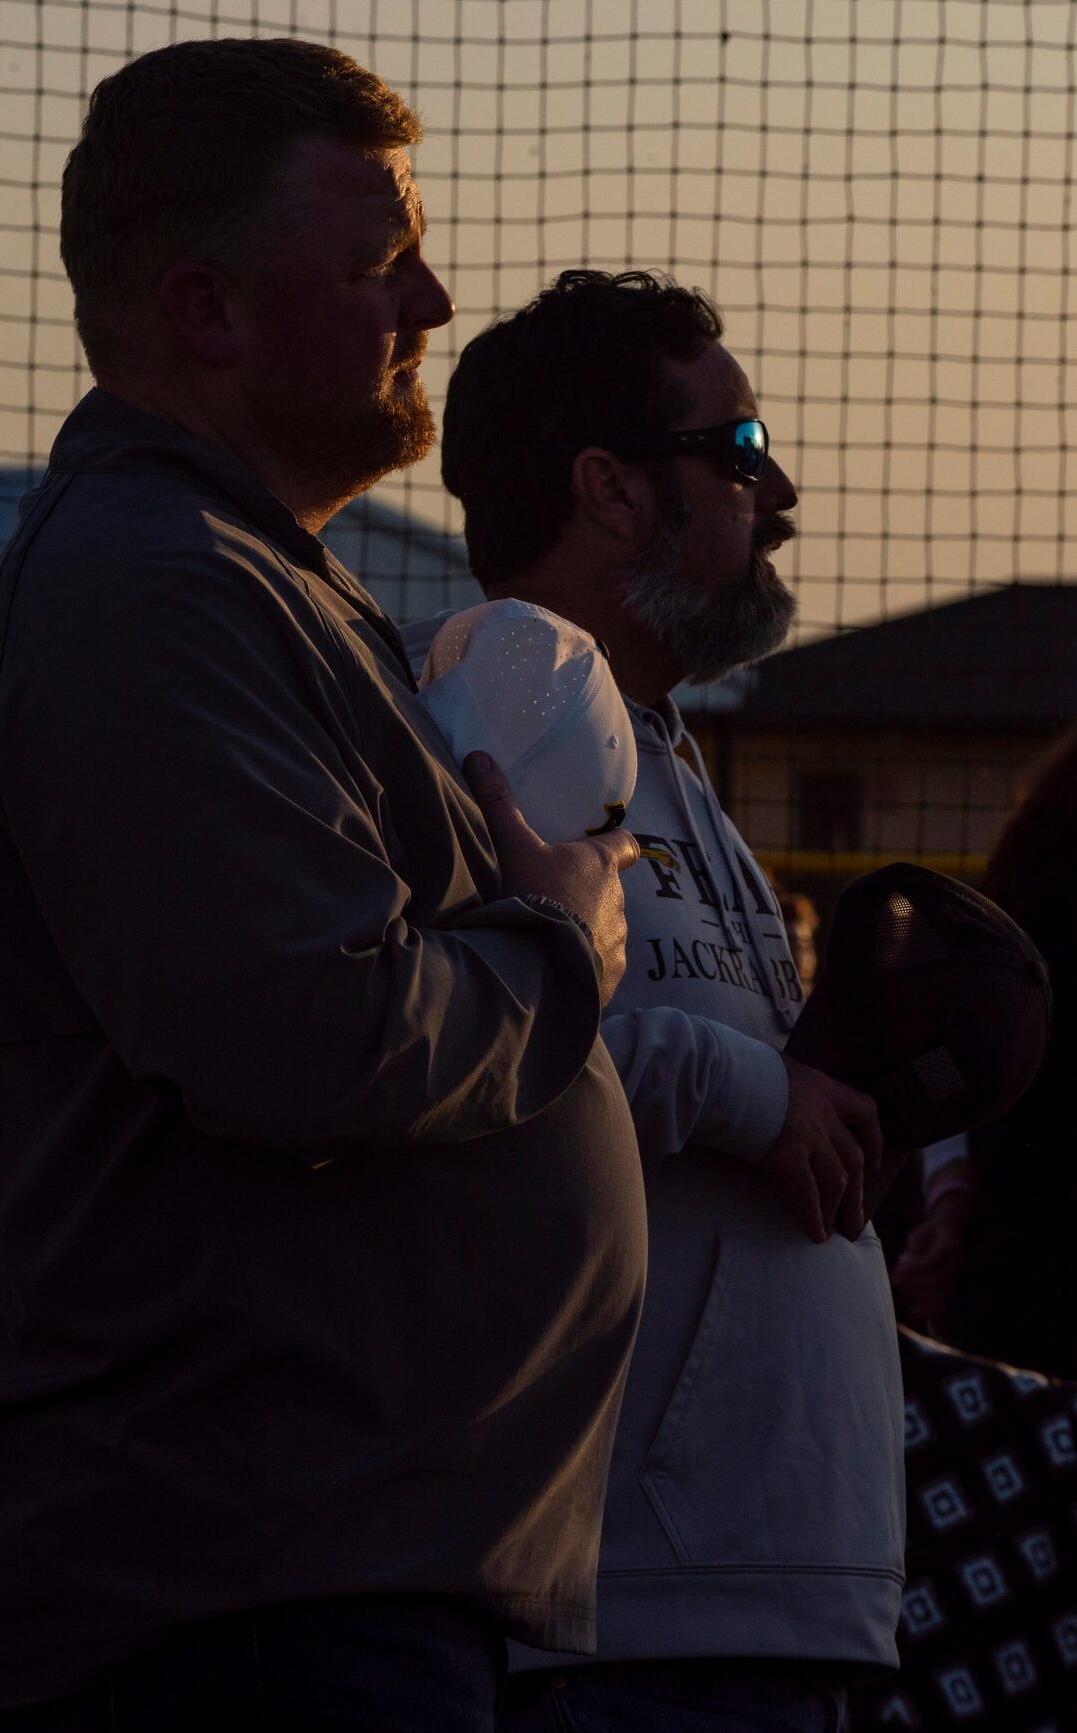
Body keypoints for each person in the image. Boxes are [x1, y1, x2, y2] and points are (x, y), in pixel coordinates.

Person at [0, 42, 648, 1731]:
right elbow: (306, 1029)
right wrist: (554, 947)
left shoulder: (243, 581)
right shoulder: (159, 590)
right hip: (242, 1613)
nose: (428, 293)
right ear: (203, 309)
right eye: (370, 265)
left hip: (292, 1584)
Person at [404, 269, 905, 1733]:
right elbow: (464, 1049)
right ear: (609, 490)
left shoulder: (662, 753)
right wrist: (754, 1093)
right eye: (739, 451)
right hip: (631, 1607)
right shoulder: (486, 722)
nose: (782, 490)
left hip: (765, 1585)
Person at [896, 724, 1077, 1377]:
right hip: (1029, 1279)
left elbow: (945, 1063)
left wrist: (951, 1195)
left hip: (1005, 1274)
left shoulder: (1029, 885)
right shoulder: (1049, 897)